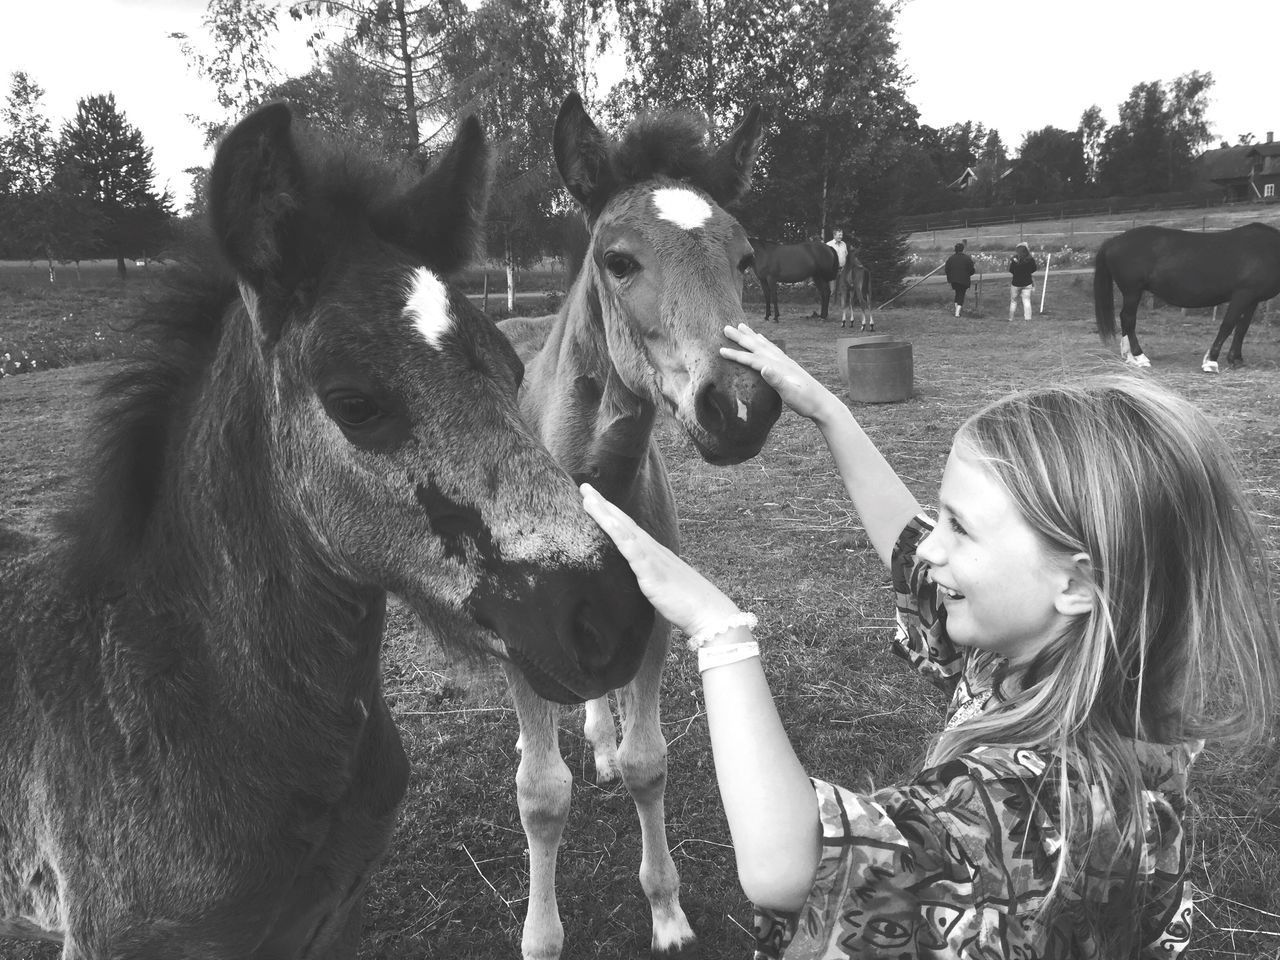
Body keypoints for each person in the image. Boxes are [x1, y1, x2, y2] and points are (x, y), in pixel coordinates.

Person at [580, 324, 1280, 959]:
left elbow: (792, 865)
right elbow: (910, 551)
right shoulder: (1044, 658)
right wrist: (829, 412)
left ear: (1077, 583)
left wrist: (718, 629)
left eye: (961, 527)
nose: (931, 548)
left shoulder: (1056, 808)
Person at [944, 241, 976, 318]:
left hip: (953, 280)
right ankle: (957, 313)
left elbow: (946, 269)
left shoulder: (951, 258)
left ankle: (956, 310)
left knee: (957, 293)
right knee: (961, 294)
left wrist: (950, 276)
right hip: (964, 280)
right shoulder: (967, 258)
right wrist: (968, 274)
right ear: (963, 249)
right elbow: (972, 270)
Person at [1008, 241, 1037, 320]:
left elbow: (1011, 270)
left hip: (1016, 283)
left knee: (1013, 301)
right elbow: (1034, 269)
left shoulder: (1015, 259)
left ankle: (1010, 318)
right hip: (1027, 282)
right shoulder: (1030, 259)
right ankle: (1028, 318)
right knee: (1026, 300)